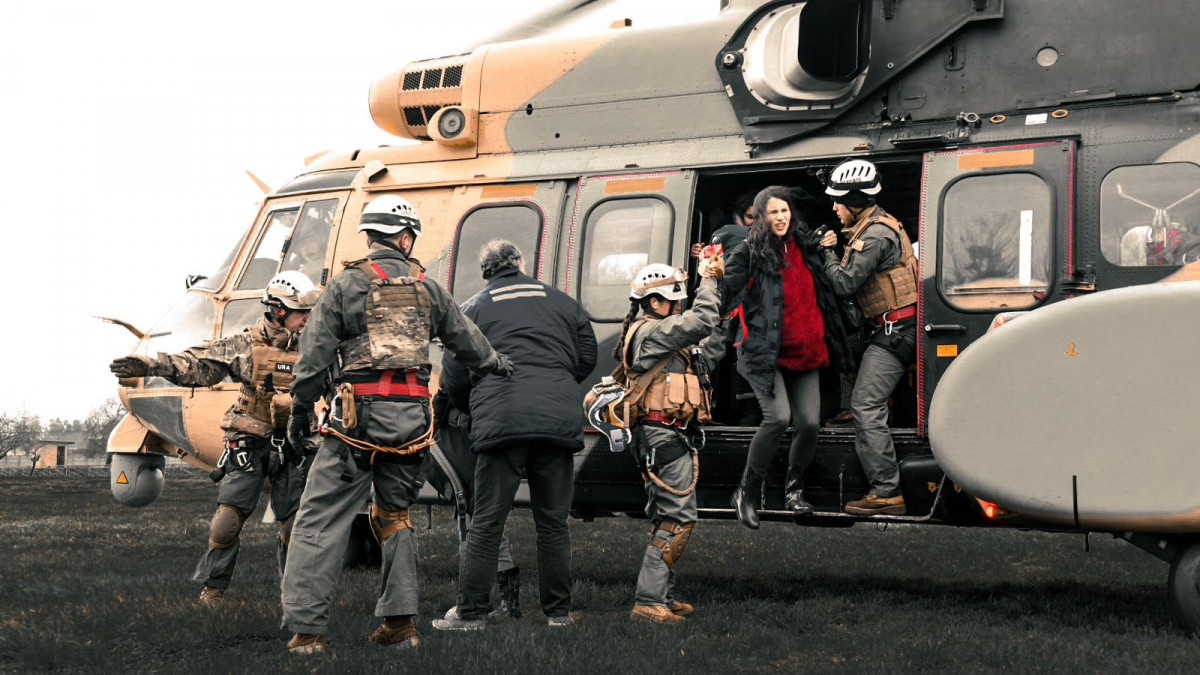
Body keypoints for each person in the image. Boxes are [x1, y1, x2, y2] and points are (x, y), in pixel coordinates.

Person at [280, 195, 513, 654]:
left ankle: (307, 633)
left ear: (371, 237)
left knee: (319, 520)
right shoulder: (429, 289)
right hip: (412, 423)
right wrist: (498, 364)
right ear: (406, 238)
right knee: (394, 517)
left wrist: (300, 413)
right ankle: (401, 625)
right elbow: (468, 341)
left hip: (356, 423)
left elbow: (311, 364)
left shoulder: (345, 286)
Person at [108, 271, 321, 602]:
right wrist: (150, 365)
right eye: (300, 312)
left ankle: (296, 596)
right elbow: (198, 363)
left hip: (293, 449)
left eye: (310, 312)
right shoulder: (246, 345)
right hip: (249, 447)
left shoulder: (317, 350)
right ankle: (213, 590)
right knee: (227, 523)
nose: (308, 319)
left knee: (296, 527)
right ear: (278, 310)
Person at [433, 239, 597, 631]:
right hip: (556, 422)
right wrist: (554, 386)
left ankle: (471, 613)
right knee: (553, 522)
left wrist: (476, 407)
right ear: (521, 264)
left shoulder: (472, 307)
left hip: (501, 421)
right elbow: (587, 356)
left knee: (487, 520)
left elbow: (454, 375)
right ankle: (558, 613)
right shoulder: (562, 301)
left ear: (486, 272)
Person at [720, 186, 855, 529]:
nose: (780, 218)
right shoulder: (749, 251)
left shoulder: (805, 245)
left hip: (805, 352)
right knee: (778, 418)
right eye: (773, 212)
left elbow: (823, 255)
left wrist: (827, 242)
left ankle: (794, 491)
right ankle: (746, 493)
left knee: (809, 423)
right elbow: (726, 292)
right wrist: (712, 277)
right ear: (761, 217)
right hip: (764, 353)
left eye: (785, 211)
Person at [614, 260, 722, 624]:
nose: (678, 309)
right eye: (674, 304)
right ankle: (649, 600)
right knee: (677, 519)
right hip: (662, 435)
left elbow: (706, 345)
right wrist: (708, 279)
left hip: (669, 435)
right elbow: (701, 320)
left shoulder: (658, 335)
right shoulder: (650, 333)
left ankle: (663, 595)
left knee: (669, 516)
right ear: (655, 303)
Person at [817, 158, 918, 516]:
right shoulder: (874, 225)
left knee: (867, 406)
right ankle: (846, 410)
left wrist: (826, 253)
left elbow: (845, 283)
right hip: (890, 327)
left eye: (838, 202)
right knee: (840, 347)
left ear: (855, 202)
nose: (834, 208)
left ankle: (886, 492)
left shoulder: (874, 234)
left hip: (895, 332)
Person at [429, 389, 522, 620]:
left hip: (470, 446)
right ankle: (506, 604)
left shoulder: (466, 372)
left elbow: (444, 398)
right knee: (487, 529)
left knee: (477, 529)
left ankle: (476, 604)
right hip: (487, 442)